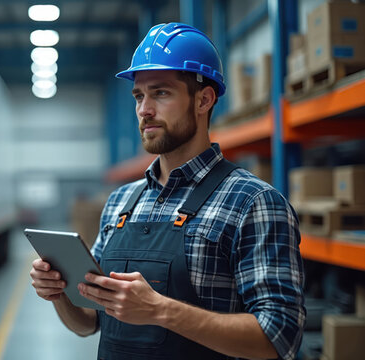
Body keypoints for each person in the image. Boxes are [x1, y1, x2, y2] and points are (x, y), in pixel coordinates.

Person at [29, 23, 305, 360]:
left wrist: (160, 311)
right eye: (139, 96)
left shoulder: (253, 202)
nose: (144, 110)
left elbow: (280, 336)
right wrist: (60, 294)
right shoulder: (121, 203)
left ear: (204, 100)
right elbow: (90, 322)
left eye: (161, 93)